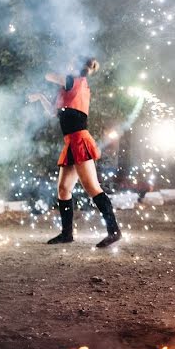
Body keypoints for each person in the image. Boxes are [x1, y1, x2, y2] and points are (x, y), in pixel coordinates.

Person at [28, 57, 122, 248]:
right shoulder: (67, 89)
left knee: (93, 188)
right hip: (70, 142)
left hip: (79, 141)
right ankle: (67, 234)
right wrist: (40, 97)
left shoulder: (75, 81)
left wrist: (55, 67)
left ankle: (114, 231)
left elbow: (49, 75)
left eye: (71, 64)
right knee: (63, 189)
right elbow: (53, 112)